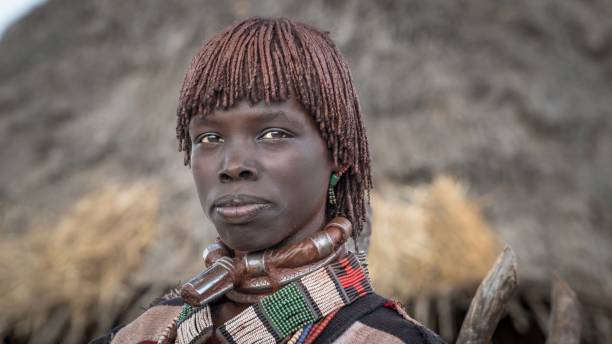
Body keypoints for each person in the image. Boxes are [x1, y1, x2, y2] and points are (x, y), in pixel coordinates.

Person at [92, 16, 445, 344]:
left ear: (339, 154)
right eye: (209, 139)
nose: (233, 165)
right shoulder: (145, 333)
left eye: (274, 133)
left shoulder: (384, 339)